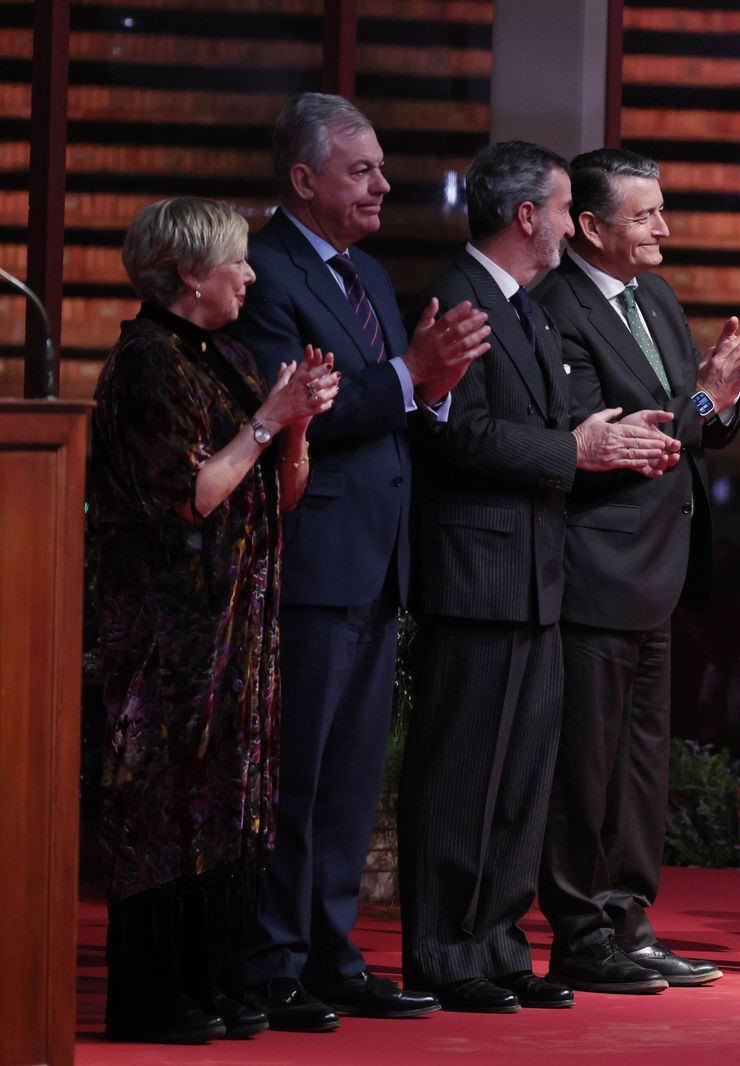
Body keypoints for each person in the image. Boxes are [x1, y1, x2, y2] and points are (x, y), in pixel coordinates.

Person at [398, 141, 683, 1013]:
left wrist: (600, 432)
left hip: (539, 573)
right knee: (461, 777)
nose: (568, 224)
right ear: (529, 217)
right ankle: (445, 954)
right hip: (480, 571)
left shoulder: (520, 305)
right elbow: (459, 434)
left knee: (521, 779)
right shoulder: (461, 295)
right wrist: (576, 447)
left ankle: (496, 944)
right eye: (563, 209)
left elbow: (558, 420)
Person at [230, 92, 491, 1031]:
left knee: (348, 780)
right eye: (362, 170)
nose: (385, 183)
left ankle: (335, 953)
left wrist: (437, 389)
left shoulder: (369, 278)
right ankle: (274, 960)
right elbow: (299, 410)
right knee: (294, 777)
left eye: (382, 167)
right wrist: (409, 377)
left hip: (381, 561)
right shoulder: (264, 274)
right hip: (311, 560)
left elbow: (400, 401)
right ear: (304, 180)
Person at [90, 197, 339, 1043]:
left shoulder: (224, 354)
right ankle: (157, 998)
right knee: (170, 811)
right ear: (190, 275)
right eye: (237, 260)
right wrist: (269, 421)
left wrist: (296, 427)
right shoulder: (147, 364)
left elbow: (278, 490)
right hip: (169, 639)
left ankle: (221, 981)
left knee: (232, 810)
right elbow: (189, 496)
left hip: (237, 630)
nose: (252, 273)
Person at [531, 148, 740, 993]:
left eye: (662, 210)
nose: (664, 228)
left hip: (659, 567)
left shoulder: (656, 297)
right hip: (596, 561)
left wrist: (722, 393)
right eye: (644, 215)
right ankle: (577, 928)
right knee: (585, 762)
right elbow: (610, 432)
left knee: (641, 764)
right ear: (590, 227)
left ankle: (629, 919)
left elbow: (690, 419)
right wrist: (701, 405)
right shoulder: (555, 308)